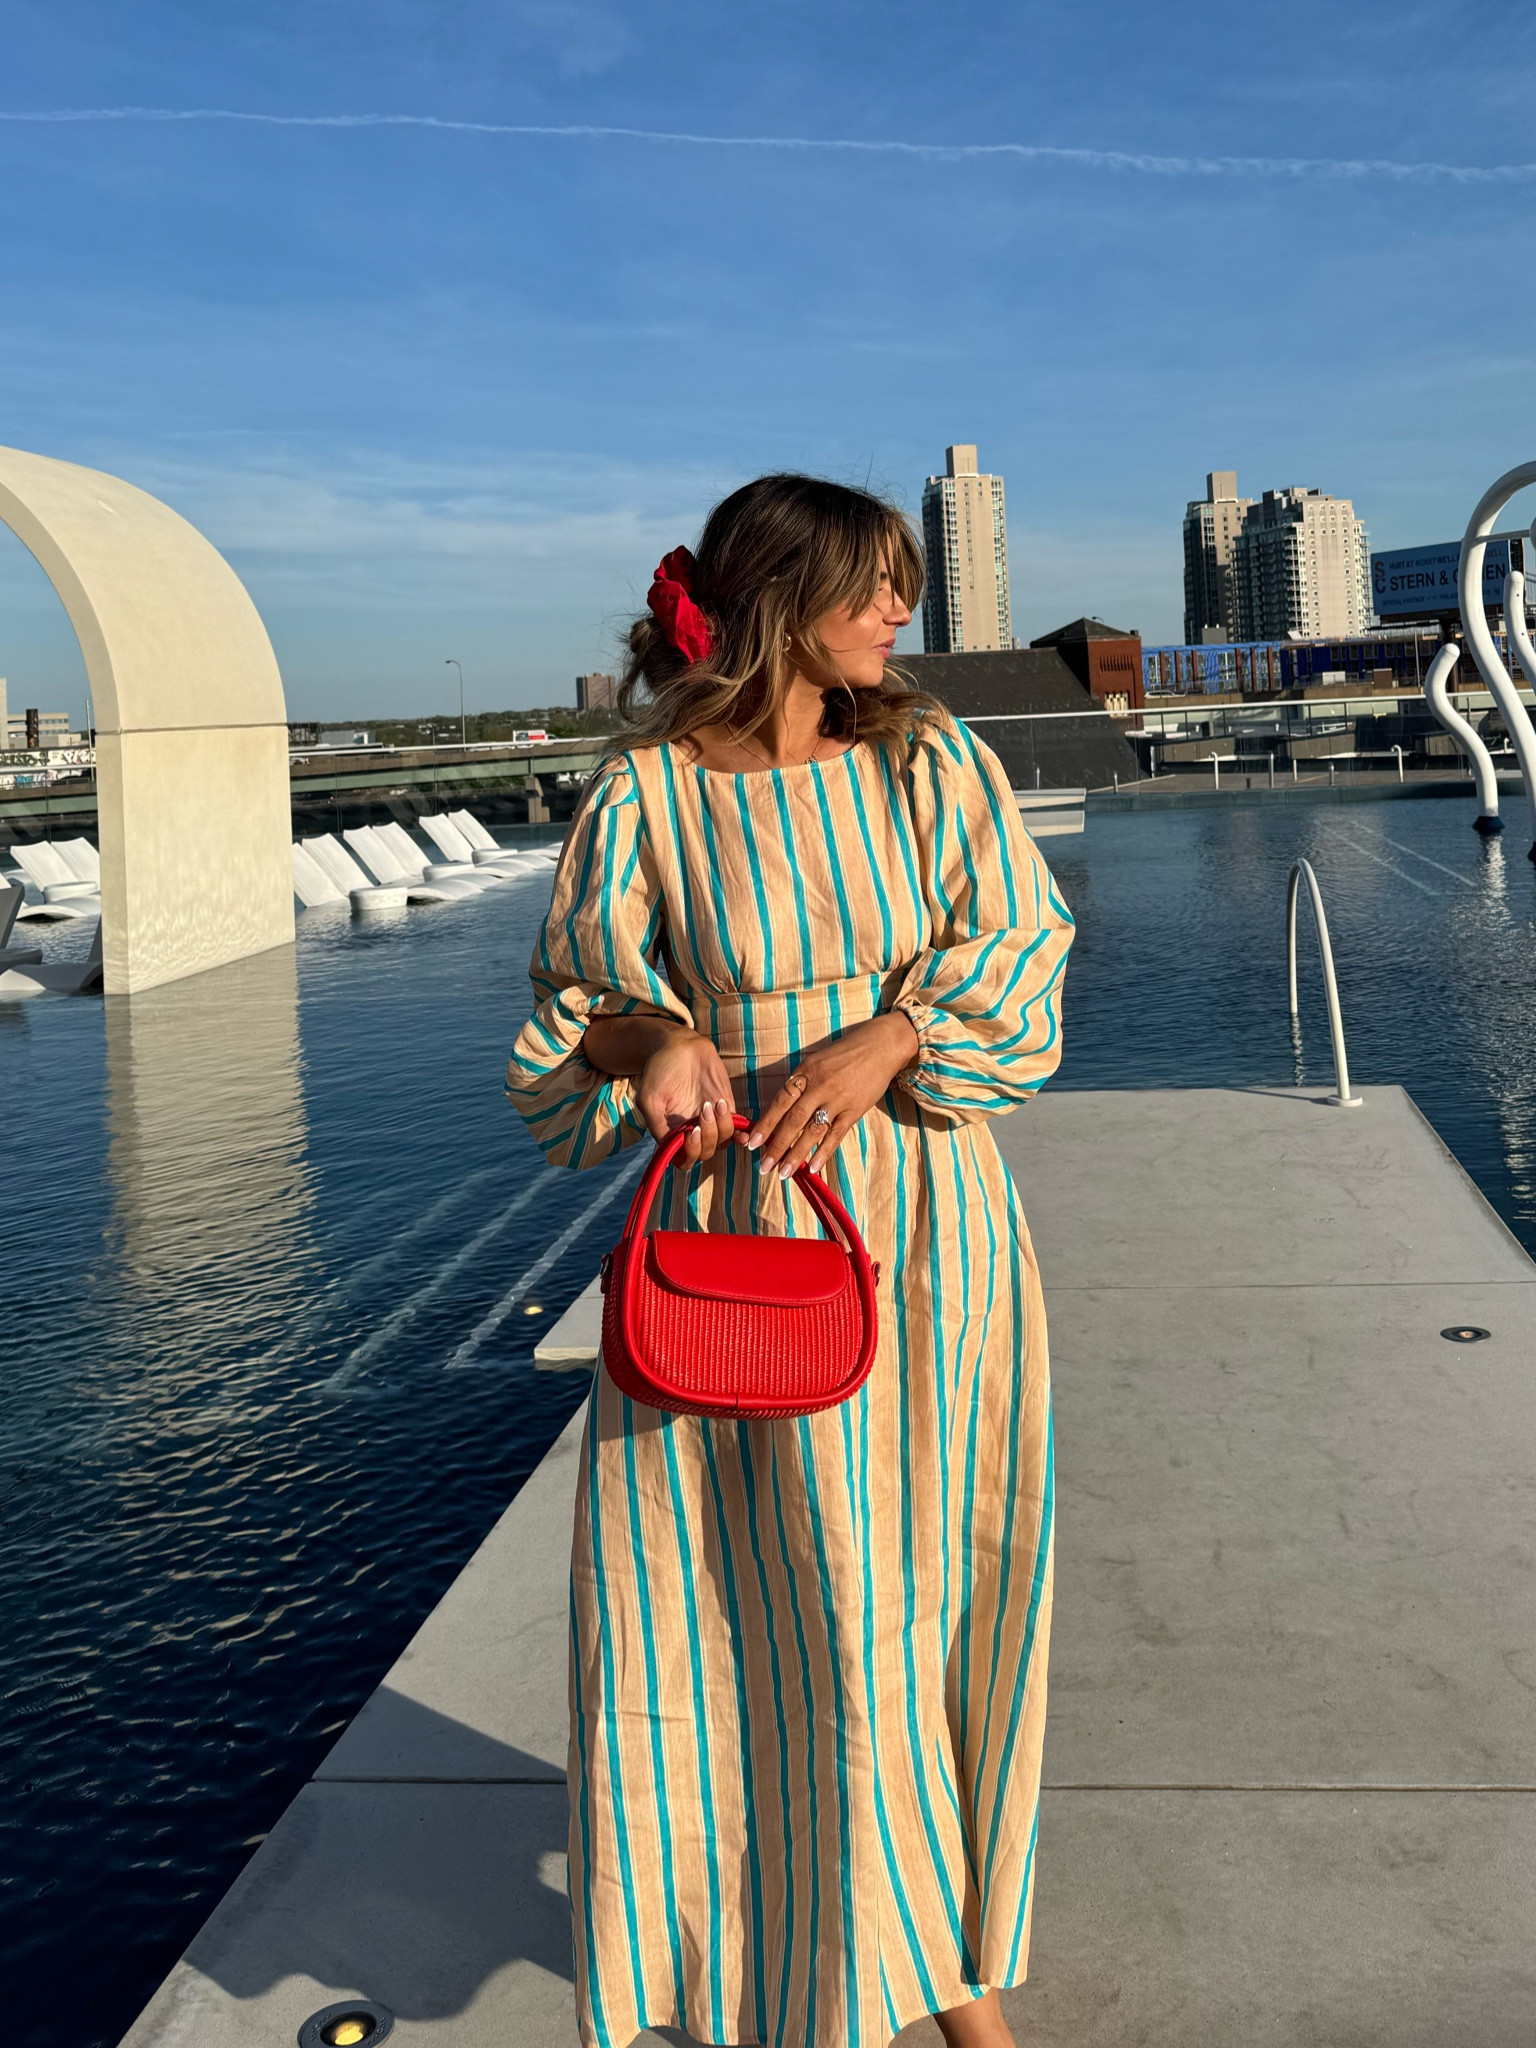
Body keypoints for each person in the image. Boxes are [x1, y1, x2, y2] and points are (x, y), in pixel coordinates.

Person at [507, 474, 1074, 2048]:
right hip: (740, 1245)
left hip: (934, 1235)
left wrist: (893, 1035)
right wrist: (662, 1038)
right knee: (772, 1617)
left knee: (934, 1603)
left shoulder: (928, 761)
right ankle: (798, 1975)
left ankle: (951, 1974)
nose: (905, 614)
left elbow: (1023, 949)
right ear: (781, 603)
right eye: (878, 587)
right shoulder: (648, 797)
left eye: (907, 584)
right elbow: (574, 1003)